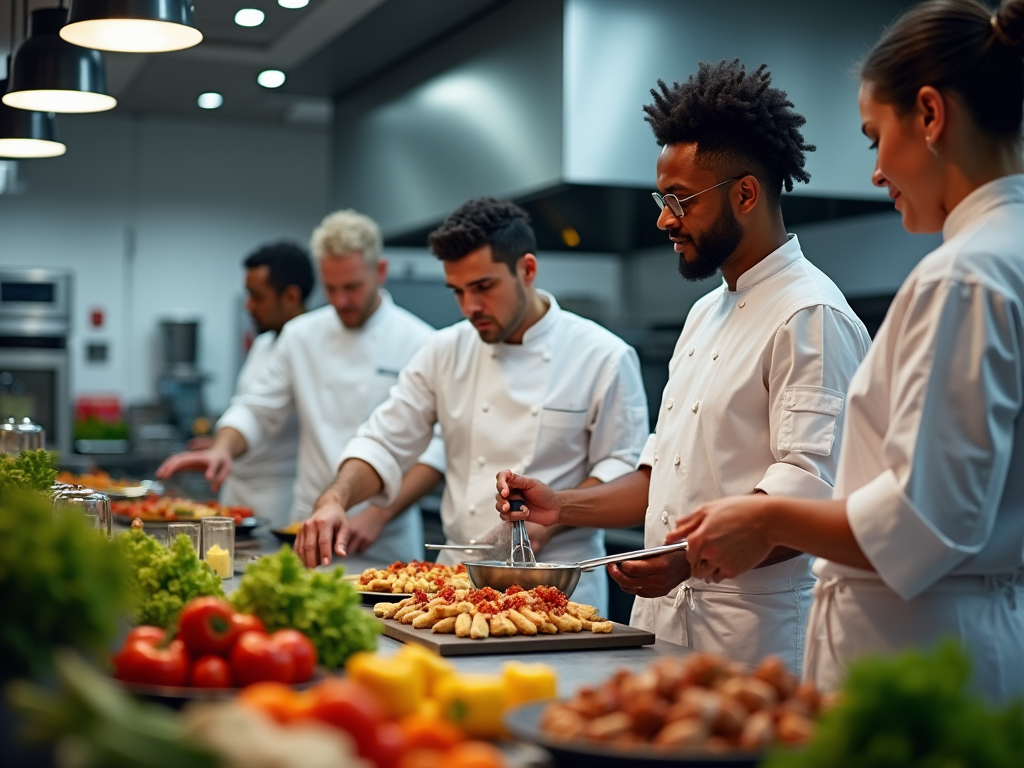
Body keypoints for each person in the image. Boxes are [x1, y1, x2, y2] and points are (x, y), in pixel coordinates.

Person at [669, 0, 1024, 703]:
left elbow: (928, 523)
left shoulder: (965, 273)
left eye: (872, 139)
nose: (874, 173)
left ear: (929, 114)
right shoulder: (1001, 254)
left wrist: (765, 516)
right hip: (957, 637)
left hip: (923, 655)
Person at [496, 60, 871, 672]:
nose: (663, 219)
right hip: (664, 627)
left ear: (745, 194)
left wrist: (686, 559)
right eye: (661, 198)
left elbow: (811, 494)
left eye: (680, 200)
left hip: (754, 642)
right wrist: (559, 506)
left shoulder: (811, 315)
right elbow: (659, 477)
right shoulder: (704, 313)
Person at [296, 197, 649, 614]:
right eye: (458, 291)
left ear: (528, 270)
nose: (469, 308)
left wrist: (547, 522)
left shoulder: (603, 356)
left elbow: (621, 475)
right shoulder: (444, 350)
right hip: (453, 587)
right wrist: (335, 498)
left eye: (483, 287)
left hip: (557, 592)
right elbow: (384, 441)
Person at [158, 210, 443, 563]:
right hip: (309, 523)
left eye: (352, 287)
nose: (340, 301)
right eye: (331, 288)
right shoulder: (301, 335)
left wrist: (379, 514)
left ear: (380, 271)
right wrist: (222, 448)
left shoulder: (421, 342)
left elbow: (437, 448)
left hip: (381, 532)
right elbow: (257, 408)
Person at [215, 242, 314, 527]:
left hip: (277, 494)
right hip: (236, 484)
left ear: (291, 296)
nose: (248, 305)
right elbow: (251, 407)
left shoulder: (312, 348)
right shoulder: (262, 343)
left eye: (257, 296)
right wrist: (222, 445)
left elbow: (262, 412)